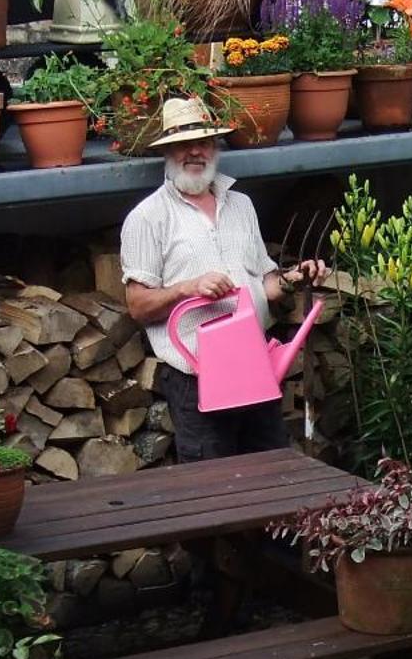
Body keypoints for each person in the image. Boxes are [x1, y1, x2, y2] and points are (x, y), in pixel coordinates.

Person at [119, 96, 327, 461]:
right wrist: (188, 287)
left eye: (203, 142)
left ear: (215, 147)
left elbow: (263, 285)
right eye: (184, 144)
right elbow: (137, 306)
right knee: (211, 488)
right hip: (196, 376)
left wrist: (295, 278)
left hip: (253, 364)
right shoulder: (147, 217)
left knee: (272, 473)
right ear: (168, 153)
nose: (195, 152)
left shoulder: (241, 205)